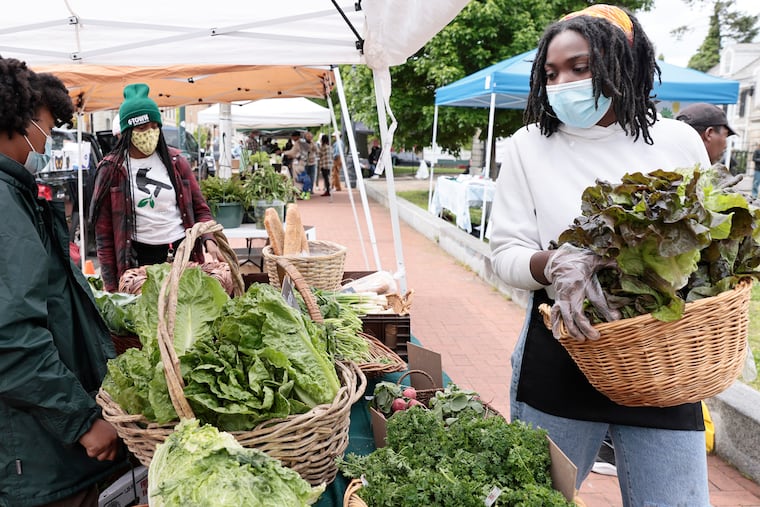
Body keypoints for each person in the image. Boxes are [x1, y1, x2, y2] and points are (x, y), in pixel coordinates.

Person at [489, 5, 712, 506]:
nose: (562, 82)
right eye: (551, 73)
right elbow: (503, 253)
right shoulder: (529, 146)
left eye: (580, 67)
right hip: (566, 349)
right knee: (535, 497)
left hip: (662, 361)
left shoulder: (677, 142)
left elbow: (710, 244)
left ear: (624, 62)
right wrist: (552, 264)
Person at [0, 56, 124, 506]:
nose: (47, 144)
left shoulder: (15, 195)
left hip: (35, 444)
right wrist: (82, 422)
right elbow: (11, 341)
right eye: (46, 131)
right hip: (27, 455)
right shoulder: (4, 205)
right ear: (16, 121)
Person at [90, 83, 222, 292]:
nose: (149, 132)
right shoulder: (111, 170)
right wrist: (111, 287)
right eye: (141, 128)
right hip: (138, 261)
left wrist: (209, 239)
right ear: (127, 132)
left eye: (154, 126)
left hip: (182, 253)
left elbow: (200, 209)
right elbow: (103, 235)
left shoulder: (177, 162)